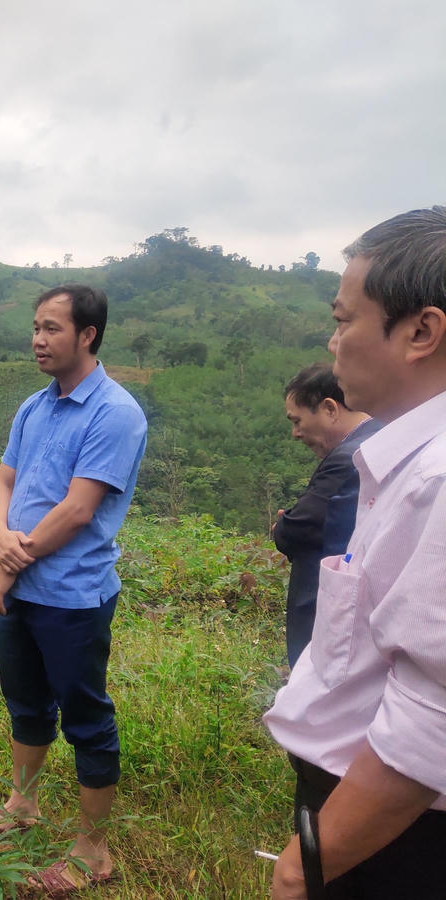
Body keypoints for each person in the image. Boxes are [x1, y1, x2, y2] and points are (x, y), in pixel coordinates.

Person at [264, 207, 446, 899]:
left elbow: (433, 718)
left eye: (344, 321)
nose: (333, 343)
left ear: (421, 332)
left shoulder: (436, 481)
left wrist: (307, 864)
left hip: (389, 839)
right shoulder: (403, 462)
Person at [0, 284, 146, 897]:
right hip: (23, 588)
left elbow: (77, 510)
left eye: (51, 328)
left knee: (86, 716)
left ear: (88, 335)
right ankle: (23, 804)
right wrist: (1, 541)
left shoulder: (115, 413)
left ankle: (93, 848)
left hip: (72, 596)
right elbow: (4, 480)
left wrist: (9, 564)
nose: (37, 339)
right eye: (35, 328)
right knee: (25, 702)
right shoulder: (34, 407)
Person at [273, 364, 380, 666]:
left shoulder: (350, 458)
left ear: (330, 409)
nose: (295, 433)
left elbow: (298, 530)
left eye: (298, 421)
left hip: (334, 621)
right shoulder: (381, 437)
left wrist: (283, 524)